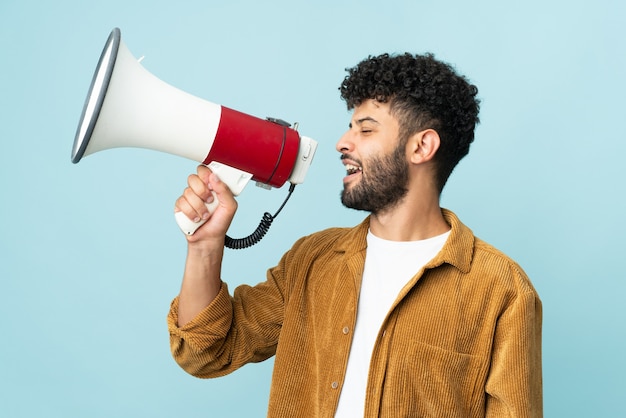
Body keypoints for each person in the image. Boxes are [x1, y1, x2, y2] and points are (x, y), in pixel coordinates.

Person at [167, 52, 543, 417]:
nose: (342, 143)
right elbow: (205, 352)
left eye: (365, 128)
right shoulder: (311, 260)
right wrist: (205, 245)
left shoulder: (501, 290)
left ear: (422, 146)